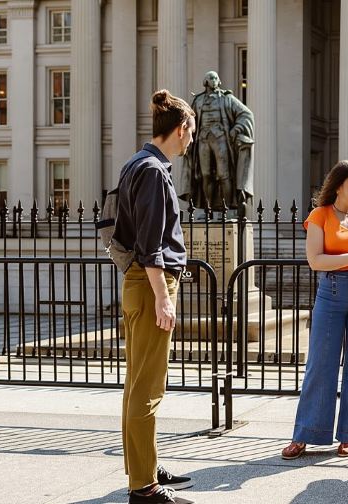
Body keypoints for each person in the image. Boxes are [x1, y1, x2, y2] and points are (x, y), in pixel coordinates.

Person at [115, 90, 196, 504]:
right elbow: (150, 243)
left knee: (137, 382)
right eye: (190, 135)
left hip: (138, 283)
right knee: (148, 386)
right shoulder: (153, 170)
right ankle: (144, 488)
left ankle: (142, 466)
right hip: (150, 284)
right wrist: (163, 296)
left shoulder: (137, 163)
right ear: (180, 130)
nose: (189, 144)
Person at [281, 160, 348, 460]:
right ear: (339, 183)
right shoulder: (321, 215)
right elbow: (316, 261)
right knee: (321, 363)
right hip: (331, 292)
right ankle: (304, 434)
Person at [180, 70, 254, 210]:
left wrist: (236, 129)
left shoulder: (227, 98)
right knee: (205, 174)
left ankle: (228, 207)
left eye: (215, 78)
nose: (214, 80)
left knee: (223, 174)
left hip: (220, 139)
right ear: (205, 82)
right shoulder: (198, 100)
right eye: (211, 78)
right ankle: (207, 208)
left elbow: (246, 113)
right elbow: (188, 119)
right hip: (203, 139)